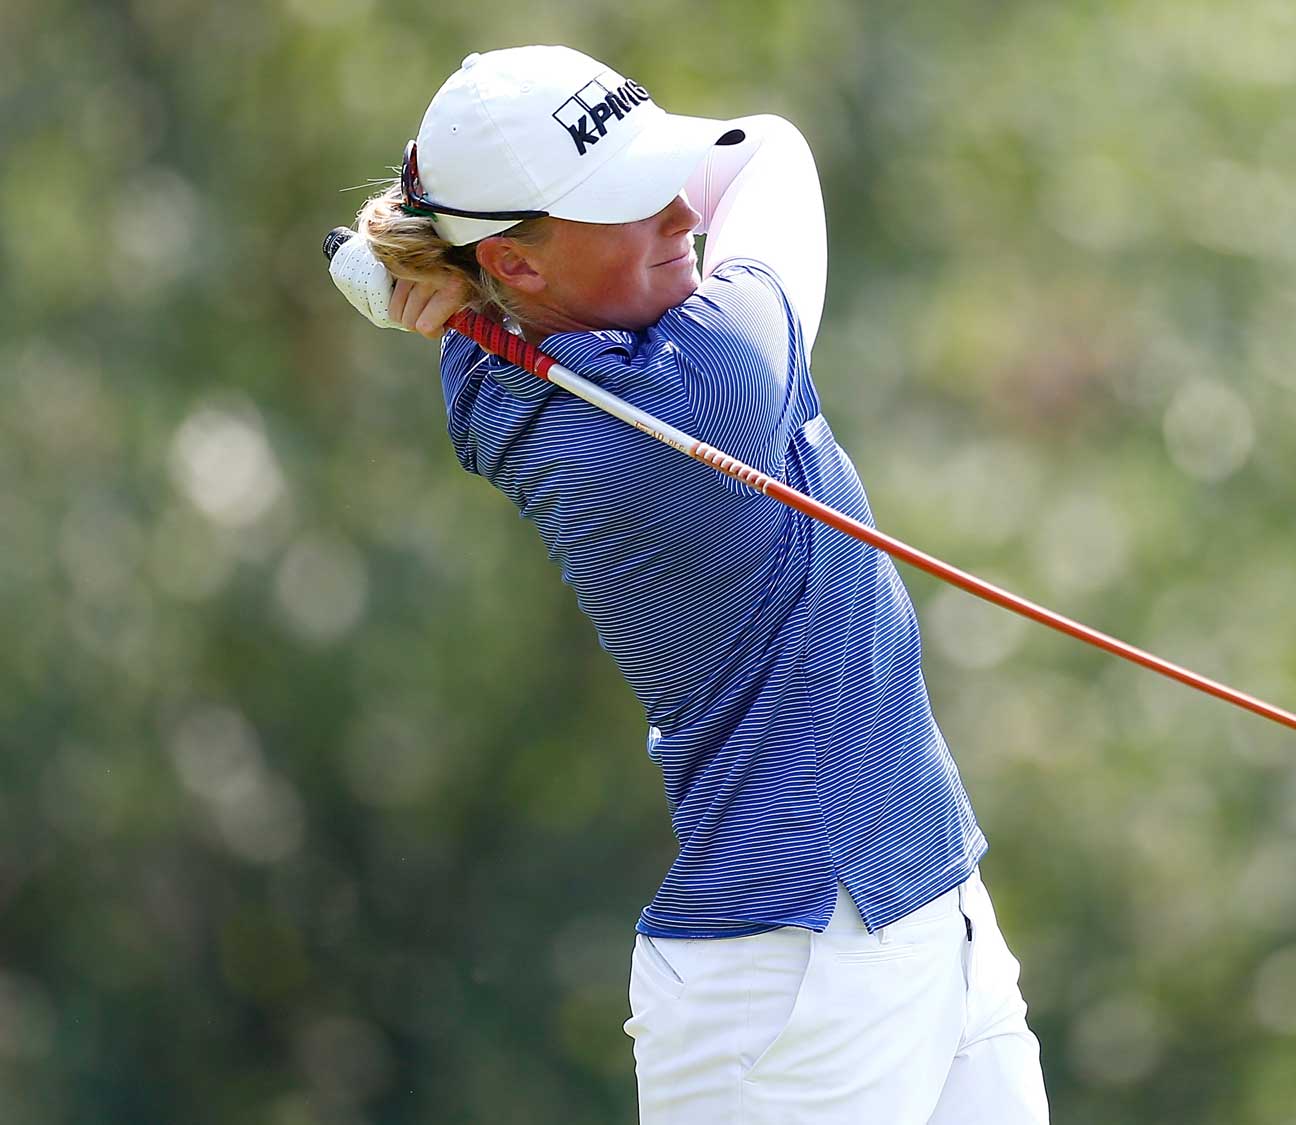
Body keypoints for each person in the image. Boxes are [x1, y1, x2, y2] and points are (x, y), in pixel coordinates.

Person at [329, 44, 1049, 1124]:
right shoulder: (709, 388)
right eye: (627, 200)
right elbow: (770, 152)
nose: (678, 214)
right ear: (516, 267)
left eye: (659, 173)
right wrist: (400, 267)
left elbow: (478, 263)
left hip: (925, 908)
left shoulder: (497, 354)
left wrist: (400, 267)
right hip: (791, 981)